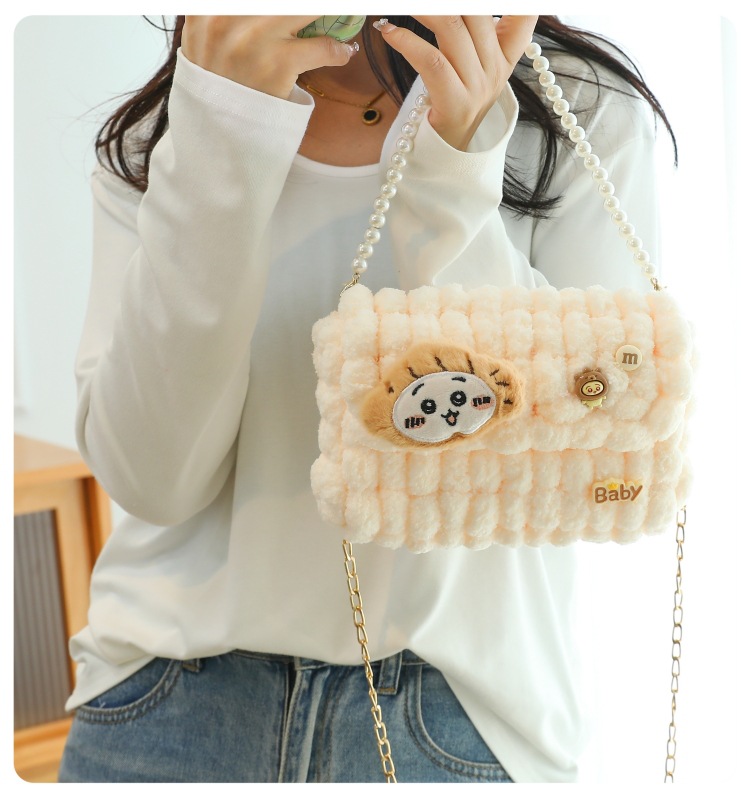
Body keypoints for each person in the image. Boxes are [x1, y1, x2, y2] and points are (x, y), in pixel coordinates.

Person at [58, 15, 675, 783]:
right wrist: (221, 131)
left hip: (455, 714)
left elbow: (584, 449)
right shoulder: (170, 123)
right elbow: (153, 481)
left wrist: (455, 168)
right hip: (169, 700)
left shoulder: (577, 109)